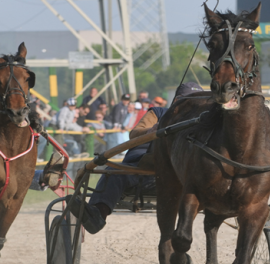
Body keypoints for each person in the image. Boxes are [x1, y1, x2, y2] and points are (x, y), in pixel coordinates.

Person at [72, 82, 204, 234]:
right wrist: (152, 130)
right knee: (113, 173)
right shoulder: (159, 113)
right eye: (187, 100)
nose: (192, 105)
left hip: (184, 179)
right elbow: (135, 133)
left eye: (198, 101)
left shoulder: (203, 121)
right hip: (143, 170)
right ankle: (97, 215)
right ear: (176, 100)